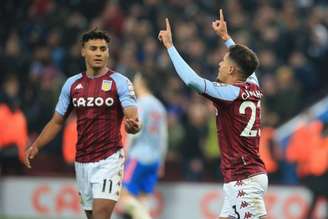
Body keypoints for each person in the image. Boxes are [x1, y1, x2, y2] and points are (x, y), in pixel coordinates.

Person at [158, 9, 268, 219]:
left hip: (243, 177)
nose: (220, 64)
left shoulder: (229, 94)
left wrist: (170, 47)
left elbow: (192, 81)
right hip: (247, 174)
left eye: (224, 62)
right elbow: (248, 66)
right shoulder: (253, 85)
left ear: (232, 71)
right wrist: (226, 38)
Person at [24, 29, 141, 219]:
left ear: (108, 52)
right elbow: (56, 121)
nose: (98, 53)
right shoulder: (71, 85)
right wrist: (36, 145)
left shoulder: (120, 82)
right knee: (91, 216)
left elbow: (132, 116)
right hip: (82, 161)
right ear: (83, 51)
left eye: (103, 49)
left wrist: (133, 125)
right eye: (93, 48)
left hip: (109, 159)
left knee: (101, 216)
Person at [118, 72, 168, 219]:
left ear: (141, 83)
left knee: (124, 197)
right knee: (143, 199)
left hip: (138, 157)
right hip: (154, 159)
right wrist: (161, 161)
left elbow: (135, 131)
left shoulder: (140, 104)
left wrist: (125, 151)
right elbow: (164, 136)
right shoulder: (159, 107)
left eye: (136, 80)